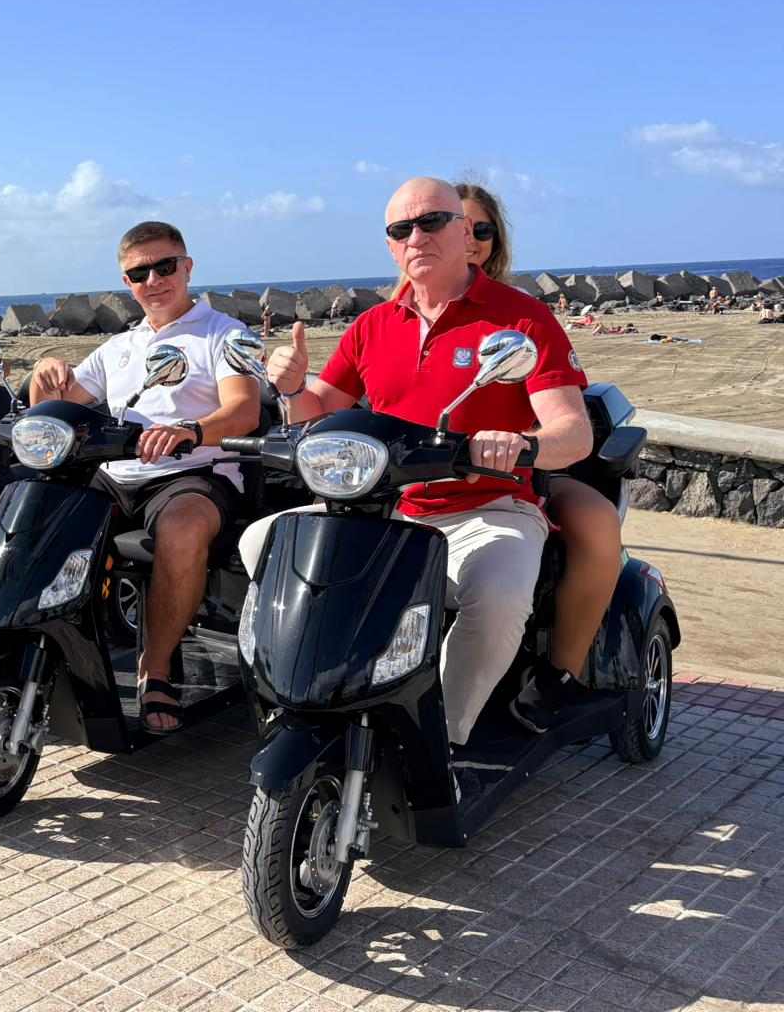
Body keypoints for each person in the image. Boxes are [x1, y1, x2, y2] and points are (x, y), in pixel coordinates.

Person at [241, 178, 593, 799]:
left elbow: (572, 429)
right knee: (260, 543)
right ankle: (303, 700)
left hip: (487, 505)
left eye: (431, 222)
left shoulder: (520, 317)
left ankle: (443, 740)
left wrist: (522, 445)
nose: (416, 237)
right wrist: (294, 389)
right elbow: (326, 409)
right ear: (390, 246)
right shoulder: (375, 325)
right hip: (388, 505)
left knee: (500, 592)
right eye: (400, 229)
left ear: (466, 233)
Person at [0, 220, 263, 732]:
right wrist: (45, 378)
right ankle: (45, 638)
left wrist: (190, 430)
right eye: (139, 273)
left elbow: (243, 411)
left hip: (192, 472)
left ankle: (155, 669)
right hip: (115, 473)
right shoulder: (119, 347)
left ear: (187, 266)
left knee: (183, 527)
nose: (153, 279)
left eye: (164, 266)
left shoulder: (226, 334)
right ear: (126, 283)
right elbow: (60, 411)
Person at [456, 182, 623, 732]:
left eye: (482, 229)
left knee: (597, 523)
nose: (469, 240)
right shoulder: (394, 316)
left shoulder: (520, 315)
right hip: (427, 475)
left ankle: (559, 678)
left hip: (522, 470)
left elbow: (563, 420)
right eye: (455, 227)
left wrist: (524, 443)